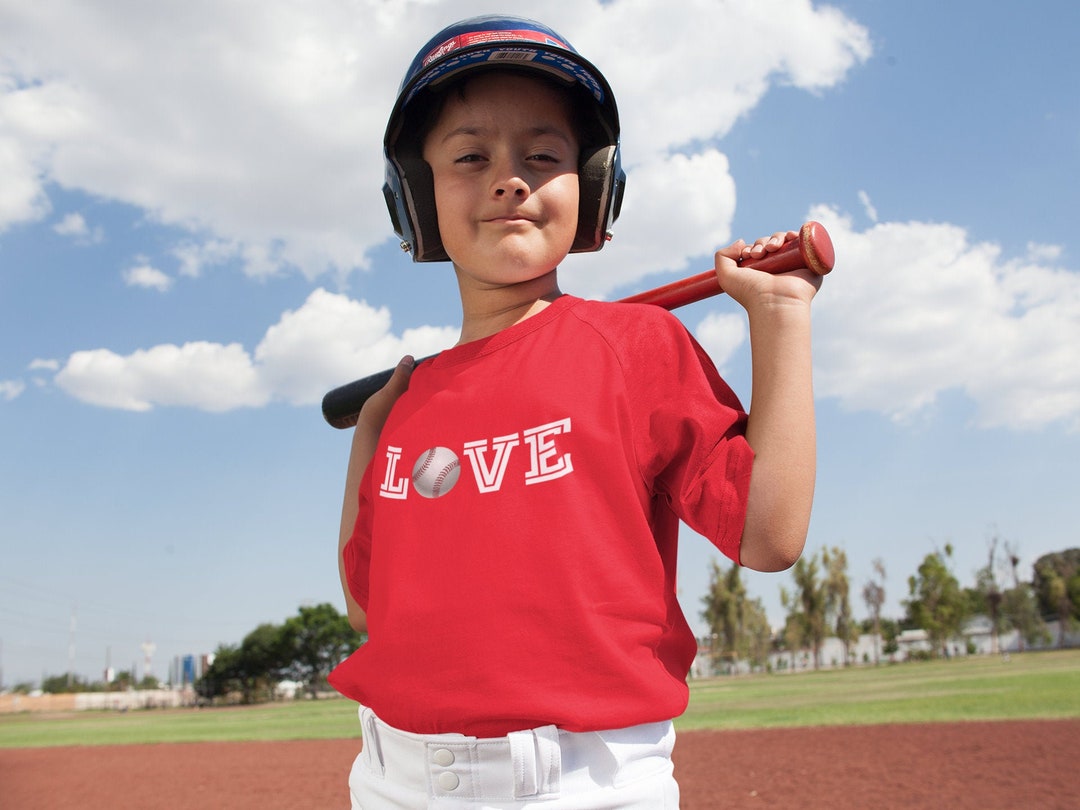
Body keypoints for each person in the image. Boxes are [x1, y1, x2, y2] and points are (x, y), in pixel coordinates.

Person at [329, 14, 820, 809]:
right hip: (391, 781)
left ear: (593, 185)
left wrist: (780, 317)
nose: (509, 179)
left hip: (581, 786)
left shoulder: (636, 347)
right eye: (470, 156)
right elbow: (366, 608)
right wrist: (373, 435)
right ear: (415, 194)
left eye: (543, 155)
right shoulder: (409, 406)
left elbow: (768, 535)